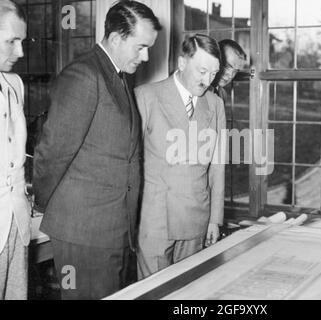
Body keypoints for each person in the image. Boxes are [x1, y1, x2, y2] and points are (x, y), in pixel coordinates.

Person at [32, 1, 161, 300]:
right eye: (141, 47)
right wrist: (43, 202)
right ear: (116, 38)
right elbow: (52, 152)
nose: (146, 56)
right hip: (84, 232)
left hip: (111, 229)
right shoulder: (85, 75)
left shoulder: (115, 75)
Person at [135, 34, 226, 279]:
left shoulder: (215, 104)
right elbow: (132, 162)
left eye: (214, 74)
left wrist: (215, 219)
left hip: (196, 215)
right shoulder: (145, 97)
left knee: (189, 290)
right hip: (155, 217)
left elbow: (217, 166)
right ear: (182, 63)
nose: (208, 80)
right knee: (152, 292)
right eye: (202, 71)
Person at [0, 0, 30, 300]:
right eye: (11, 41)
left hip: (17, 225)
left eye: (22, 41)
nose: (20, 52)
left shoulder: (15, 84)